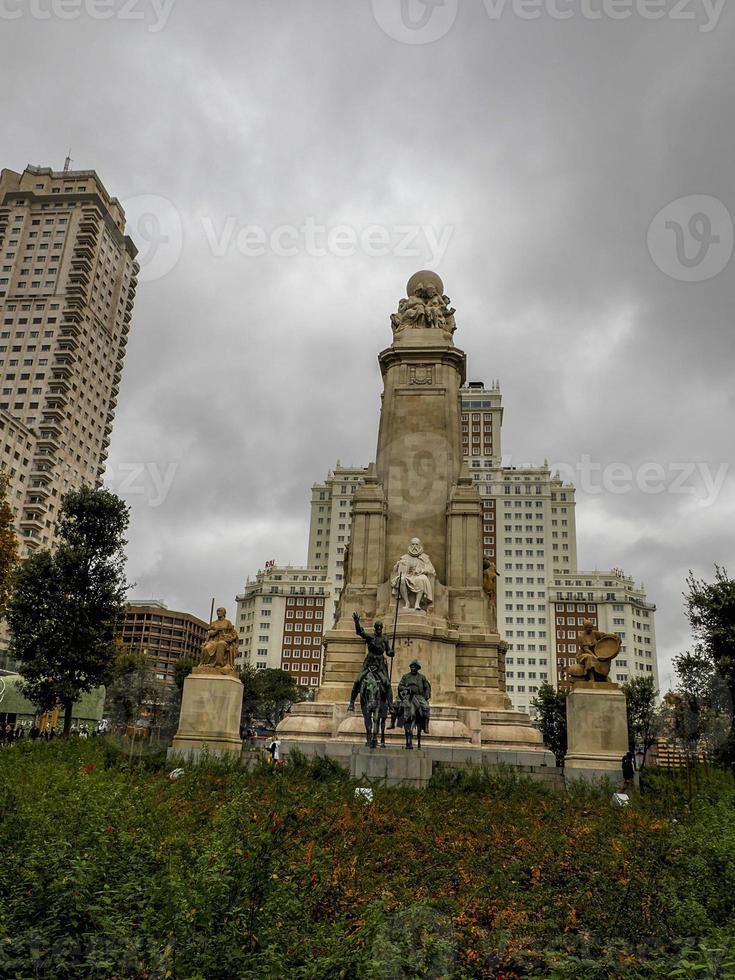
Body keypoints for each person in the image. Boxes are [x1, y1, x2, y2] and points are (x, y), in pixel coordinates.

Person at [348, 612, 394, 712]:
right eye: (377, 627)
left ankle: (390, 705)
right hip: (369, 664)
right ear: (374, 628)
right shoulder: (370, 637)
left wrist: (391, 653)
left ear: (382, 628)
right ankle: (351, 703)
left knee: (387, 684)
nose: (378, 629)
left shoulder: (385, 639)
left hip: (380, 665)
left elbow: (388, 651)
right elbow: (360, 632)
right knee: (357, 680)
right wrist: (357, 622)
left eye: (380, 627)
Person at [391, 539, 436, 611]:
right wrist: (398, 564)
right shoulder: (405, 557)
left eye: (416, 544)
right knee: (401, 580)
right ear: (410, 545)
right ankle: (407, 602)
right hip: (407, 575)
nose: (414, 546)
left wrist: (422, 571)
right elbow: (395, 570)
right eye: (413, 544)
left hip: (418, 575)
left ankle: (417, 603)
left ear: (419, 546)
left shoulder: (424, 557)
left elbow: (432, 570)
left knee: (422, 579)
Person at [397, 661, 432, 734]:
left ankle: (425, 725)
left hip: (418, 696)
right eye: (412, 667)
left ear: (417, 668)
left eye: (414, 667)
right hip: (406, 695)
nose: (413, 668)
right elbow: (400, 686)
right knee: (396, 704)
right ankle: (395, 722)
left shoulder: (422, 677)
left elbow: (427, 688)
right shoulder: (405, 676)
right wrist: (405, 689)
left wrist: (426, 697)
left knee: (426, 707)